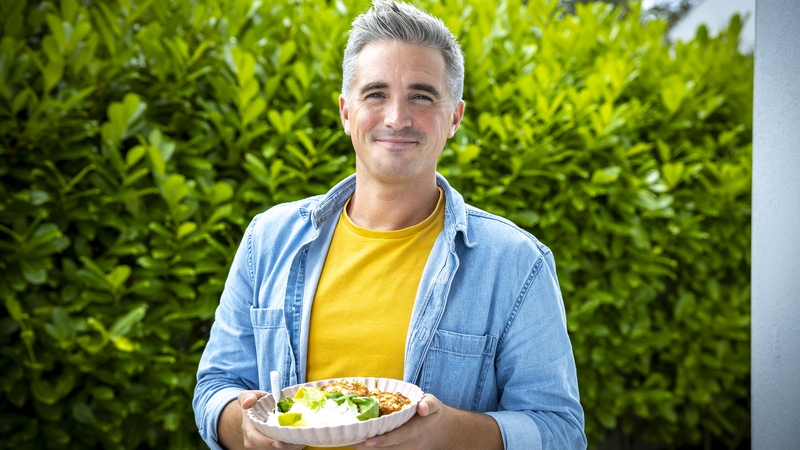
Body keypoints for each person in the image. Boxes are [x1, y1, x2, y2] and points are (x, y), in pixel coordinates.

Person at [193, 1, 586, 449]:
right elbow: (215, 387)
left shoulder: (516, 262)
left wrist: (450, 435)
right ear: (345, 112)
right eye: (375, 94)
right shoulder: (267, 240)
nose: (397, 118)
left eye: (421, 96)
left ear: (454, 117)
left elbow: (561, 432)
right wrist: (242, 427)